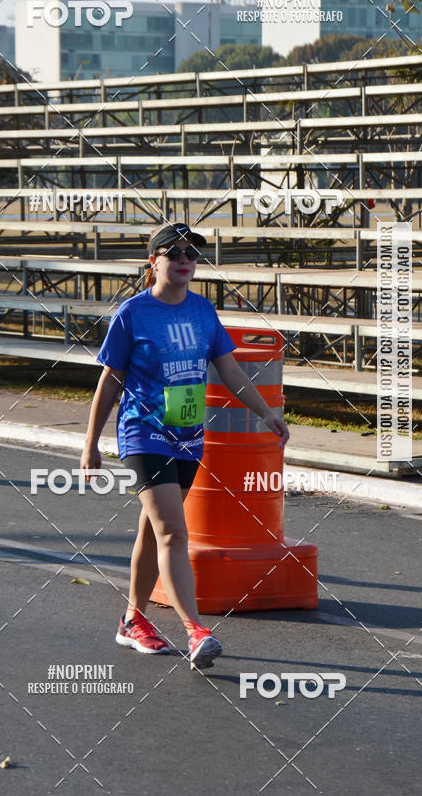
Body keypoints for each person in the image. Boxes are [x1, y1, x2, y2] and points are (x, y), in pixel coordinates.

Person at [80, 222, 289, 671]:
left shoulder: (202, 312)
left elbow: (230, 371)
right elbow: (110, 380)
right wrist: (91, 444)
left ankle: (133, 619)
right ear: (152, 261)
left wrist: (265, 412)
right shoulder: (133, 313)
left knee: (151, 531)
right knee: (174, 531)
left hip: (189, 435)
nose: (184, 260)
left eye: (192, 253)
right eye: (173, 252)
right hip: (143, 434)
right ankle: (196, 630)